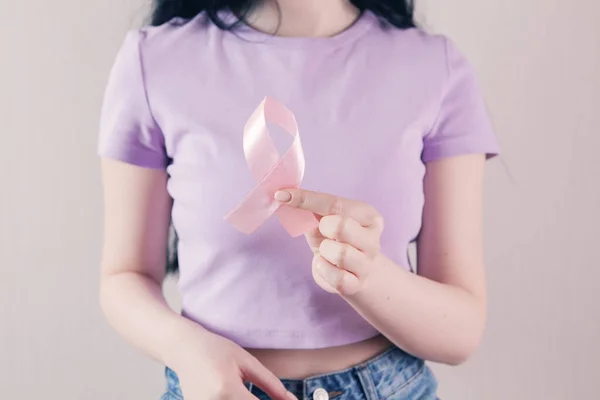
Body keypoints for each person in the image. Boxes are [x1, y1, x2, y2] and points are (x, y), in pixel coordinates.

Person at [97, 0, 500, 399]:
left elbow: (461, 332)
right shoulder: (153, 61)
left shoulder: (435, 67)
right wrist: (185, 349)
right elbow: (124, 276)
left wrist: (365, 276)